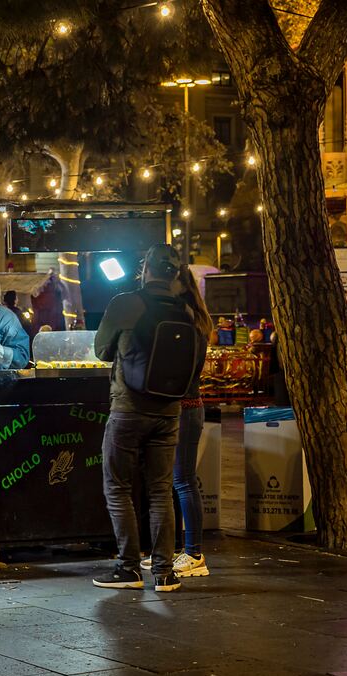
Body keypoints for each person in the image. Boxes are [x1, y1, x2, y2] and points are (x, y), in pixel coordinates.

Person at [93, 244, 198, 593]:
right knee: (160, 491)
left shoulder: (127, 303)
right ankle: (165, 573)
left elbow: (101, 350)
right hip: (169, 412)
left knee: (118, 486)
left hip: (128, 409)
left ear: (145, 269)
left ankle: (128, 568)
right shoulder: (186, 310)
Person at [139, 265, 211, 578]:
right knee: (172, 482)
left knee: (183, 480)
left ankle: (194, 554)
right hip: (183, 407)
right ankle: (171, 552)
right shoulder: (192, 320)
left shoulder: (188, 322)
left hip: (185, 407)